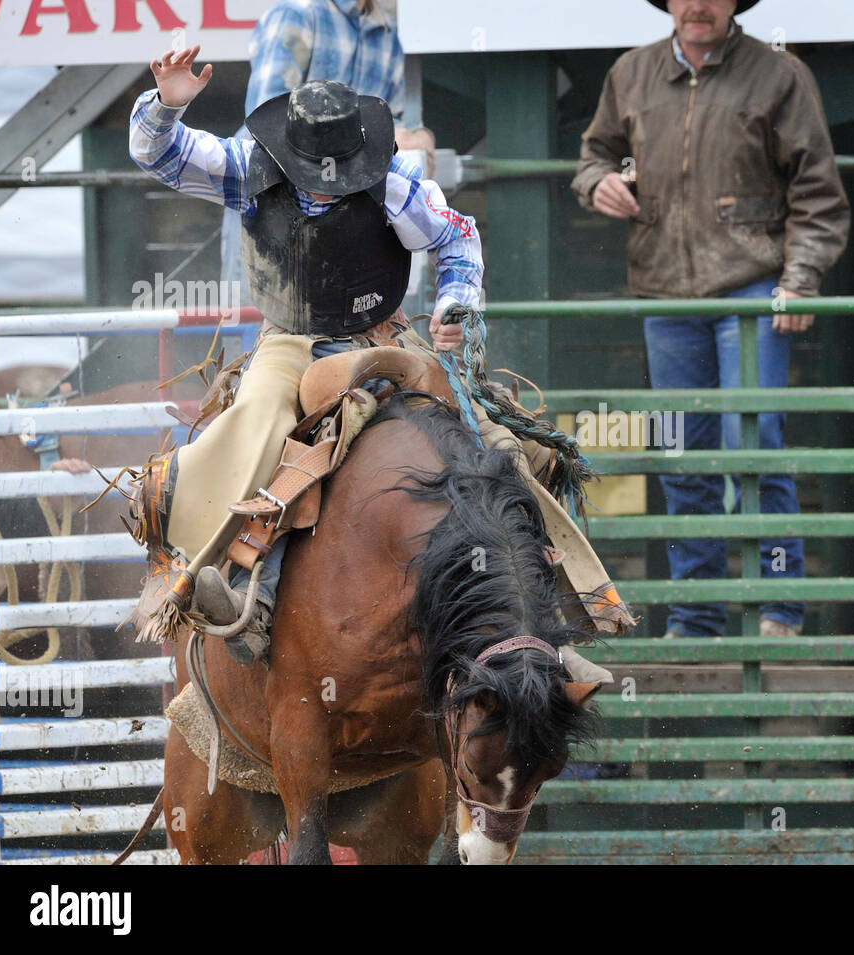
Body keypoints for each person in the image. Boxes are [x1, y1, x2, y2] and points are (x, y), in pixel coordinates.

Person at [128, 47, 631, 672]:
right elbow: (162, 153)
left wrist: (454, 308)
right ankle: (226, 579)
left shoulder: (395, 183)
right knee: (257, 417)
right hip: (291, 339)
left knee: (500, 444)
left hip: (383, 337)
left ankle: (546, 611)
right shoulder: (249, 167)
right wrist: (166, 106)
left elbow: (457, 236)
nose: (323, 180)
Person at [571, 0, 850, 639]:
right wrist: (597, 183)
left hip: (753, 287)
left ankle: (778, 610)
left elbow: (818, 191)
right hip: (666, 295)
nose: (697, 4)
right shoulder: (631, 73)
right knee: (681, 455)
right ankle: (696, 618)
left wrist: (798, 281)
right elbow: (594, 155)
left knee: (753, 443)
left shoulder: (779, 75)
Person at [220, 0, 436, 287]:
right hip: (271, 211)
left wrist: (418, 138)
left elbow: (389, 123)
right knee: (258, 321)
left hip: (344, 222)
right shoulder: (298, 13)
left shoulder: (386, 34)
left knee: (337, 323)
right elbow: (265, 122)